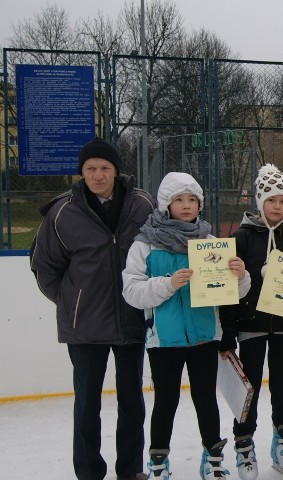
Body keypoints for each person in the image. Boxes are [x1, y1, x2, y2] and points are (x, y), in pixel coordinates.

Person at [30, 138, 155, 480]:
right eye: (90, 169)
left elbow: (162, 250)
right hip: (84, 326)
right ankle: (88, 473)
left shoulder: (142, 205)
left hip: (131, 319)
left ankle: (130, 471)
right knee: (87, 405)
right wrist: (74, 301)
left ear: (116, 170)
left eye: (104, 168)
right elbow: (45, 267)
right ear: (81, 173)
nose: (98, 175)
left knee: (132, 402)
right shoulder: (62, 213)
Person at [121, 172, 251, 479]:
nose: (186, 205)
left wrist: (241, 275)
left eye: (192, 199)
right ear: (166, 204)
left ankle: (214, 457)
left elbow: (237, 292)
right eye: (179, 199)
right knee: (165, 400)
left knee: (205, 397)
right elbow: (131, 291)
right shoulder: (145, 244)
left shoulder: (210, 243)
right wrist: (167, 284)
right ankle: (158, 460)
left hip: (205, 336)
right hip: (164, 339)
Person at [219, 164, 283, 480]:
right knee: (249, 389)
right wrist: (229, 330)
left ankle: (282, 443)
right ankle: (244, 446)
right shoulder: (242, 238)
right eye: (272, 200)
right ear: (260, 200)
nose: (277, 207)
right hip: (251, 326)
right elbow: (229, 290)